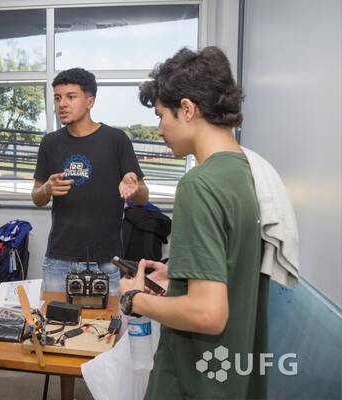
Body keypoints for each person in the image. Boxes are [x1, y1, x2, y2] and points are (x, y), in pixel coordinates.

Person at [120, 47, 268, 399]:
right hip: (237, 376)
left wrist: (134, 299)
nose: (159, 130)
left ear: (187, 109)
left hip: (196, 381)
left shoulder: (199, 184)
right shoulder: (250, 172)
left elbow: (207, 313)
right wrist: (178, 274)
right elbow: (232, 263)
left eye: (161, 116)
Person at [31, 68, 149, 294]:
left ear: (90, 101)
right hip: (59, 260)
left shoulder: (116, 140)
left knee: (108, 319)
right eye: (58, 98)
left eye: (71, 97)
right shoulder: (50, 143)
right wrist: (46, 189)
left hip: (106, 262)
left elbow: (143, 195)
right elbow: (37, 197)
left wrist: (134, 188)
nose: (62, 104)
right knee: (54, 318)